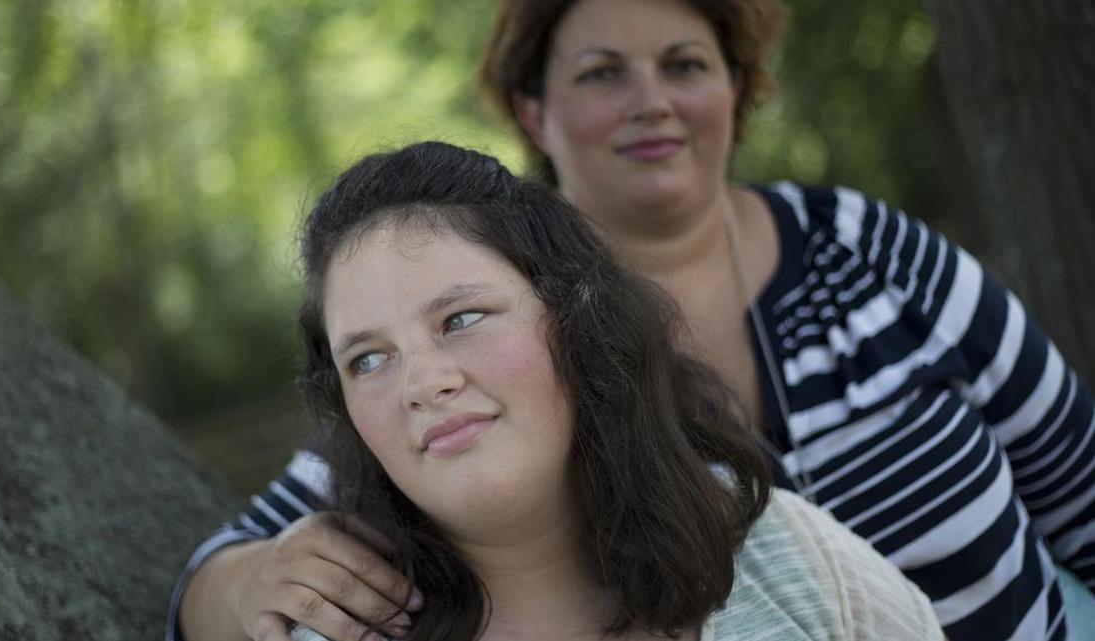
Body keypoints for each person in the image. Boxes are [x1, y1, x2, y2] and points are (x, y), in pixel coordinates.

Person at [170, 1, 1095, 640]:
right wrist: (242, 583)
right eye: (603, 72)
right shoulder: (442, 365)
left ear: (737, 88)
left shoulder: (868, 253)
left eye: (684, 65)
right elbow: (248, 553)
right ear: (535, 110)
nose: (651, 99)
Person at [302, 140, 941, 641]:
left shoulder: (785, 557)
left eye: (461, 320)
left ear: (575, 321)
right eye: (368, 359)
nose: (422, 384)